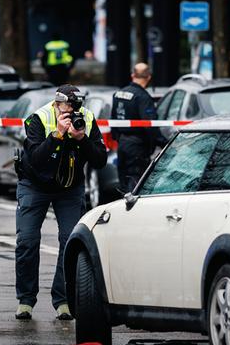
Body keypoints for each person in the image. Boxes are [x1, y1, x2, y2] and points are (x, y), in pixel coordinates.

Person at [14, 84, 107, 321]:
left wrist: (82, 138)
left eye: (77, 106)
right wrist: (57, 134)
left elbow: (100, 160)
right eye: (68, 106)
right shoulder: (39, 118)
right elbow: (36, 158)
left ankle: (63, 300)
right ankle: (26, 300)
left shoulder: (85, 119)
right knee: (27, 240)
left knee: (70, 242)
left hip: (69, 188)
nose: (73, 111)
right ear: (57, 104)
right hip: (35, 185)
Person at [111, 63, 166, 193]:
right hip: (137, 147)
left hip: (123, 144)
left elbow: (113, 119)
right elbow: (149, 124)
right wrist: (163, 142)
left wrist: (119, 139)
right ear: (148, 77)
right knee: (136, 183)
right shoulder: (143, 97)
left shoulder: (118, 93)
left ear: (132, 75)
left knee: (124, 181)